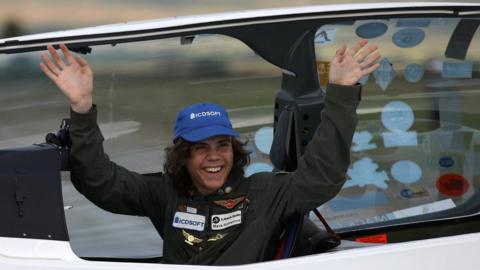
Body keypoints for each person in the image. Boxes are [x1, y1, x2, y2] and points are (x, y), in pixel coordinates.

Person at [40, 40, 380, 265]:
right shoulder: (164, 193)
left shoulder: (265, 193)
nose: (214, 156)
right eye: (200, 148)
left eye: (222, 145)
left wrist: (341, 94)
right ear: (182, 156)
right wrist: (82, 109)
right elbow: (101, 182)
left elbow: (322, 176)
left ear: (234, 150)